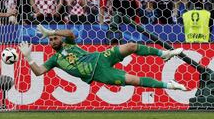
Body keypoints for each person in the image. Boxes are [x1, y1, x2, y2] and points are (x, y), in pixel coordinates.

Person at [18, 25, 187, 91]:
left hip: (101, 57)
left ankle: (163, 54)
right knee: (135, 80)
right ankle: (170, 85)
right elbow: (39, 72)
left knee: (131, 46)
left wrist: (52, 31)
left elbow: (70, 33)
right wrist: (28, 57)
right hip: (99, 74)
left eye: (55, 38)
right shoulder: (54, 60)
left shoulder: (68, 42)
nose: (53, 40)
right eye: (51, 40)